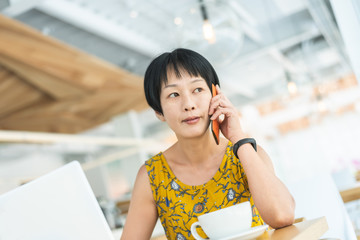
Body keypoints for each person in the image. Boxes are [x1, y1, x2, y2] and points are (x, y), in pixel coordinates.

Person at [121, 48, 295, 240]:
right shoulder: (152, 177)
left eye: (197, 90)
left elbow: (282, 216)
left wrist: (238, 138)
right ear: (159, 112)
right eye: (173, 95)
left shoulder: (247, 154)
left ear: (215, 95)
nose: (188, 104)